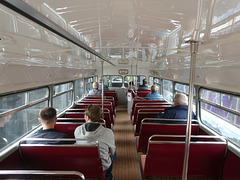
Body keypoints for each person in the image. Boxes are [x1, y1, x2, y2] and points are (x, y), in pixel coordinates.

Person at [74, 105, 116, 180]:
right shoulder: (108, 132)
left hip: (82, 164)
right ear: (99, 117)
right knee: (114, 153)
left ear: (87, 117)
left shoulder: (77, 130)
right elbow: (111, 152)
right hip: (101, 166)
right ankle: (108, 176)